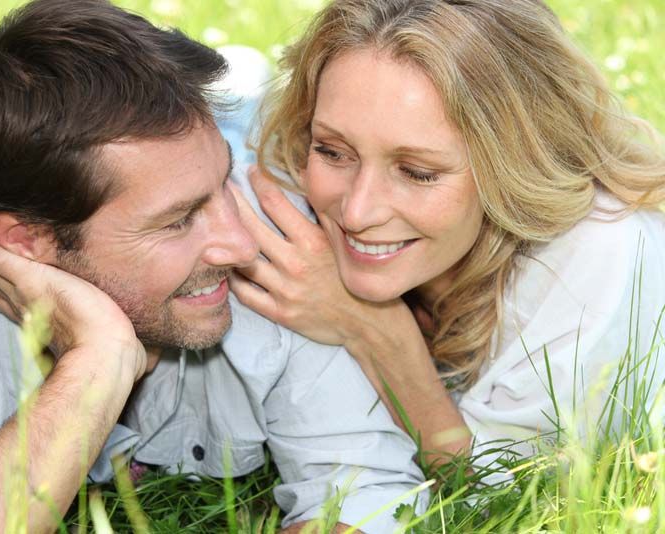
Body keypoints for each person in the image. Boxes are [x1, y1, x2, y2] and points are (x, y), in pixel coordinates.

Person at [0, 1, 426, 532]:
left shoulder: (281, 254)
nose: (237, 244)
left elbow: (371, 495)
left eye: (222, 183)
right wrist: (95, 366)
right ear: (26, 241)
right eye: (178, 221)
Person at [230, 0, 665, 473]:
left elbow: (497, 492)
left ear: (514, 164)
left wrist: (373, 328)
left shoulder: (600, 255)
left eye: (417, 173)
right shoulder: (292, 179)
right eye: (333, 151)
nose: (356, 212)